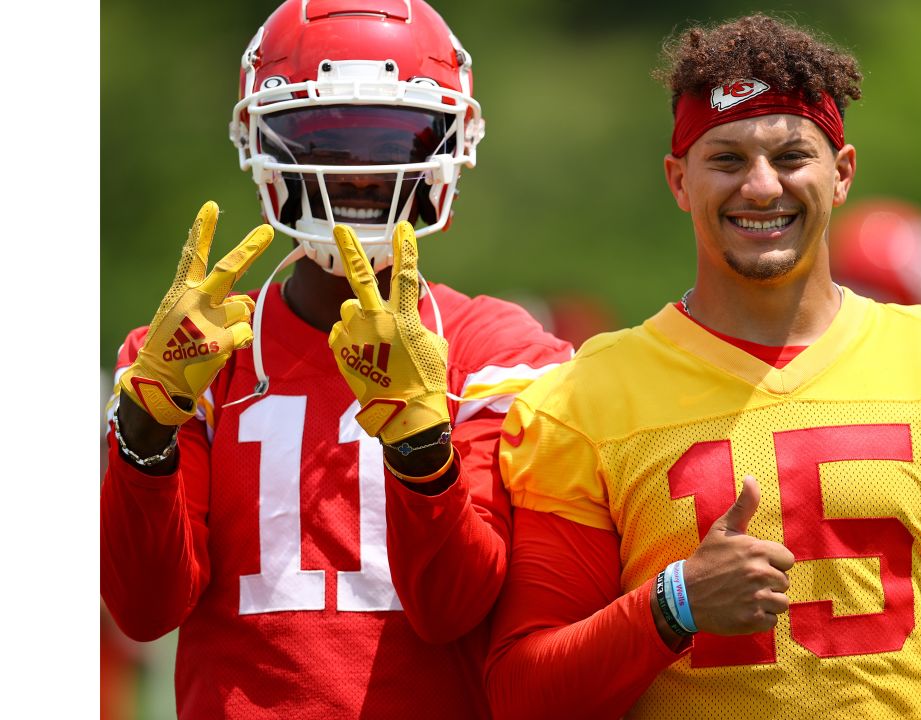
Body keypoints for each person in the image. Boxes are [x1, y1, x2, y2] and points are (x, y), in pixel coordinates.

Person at [485, 14, 921, 719]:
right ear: (678, 180)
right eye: (726, 160)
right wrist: (674, 605)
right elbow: (524, 696)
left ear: (842, 173)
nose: (760, 187)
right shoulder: (585, 401)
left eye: (791, 158)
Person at [99, 1, 572, 717]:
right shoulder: (191, 356)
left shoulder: (500, 351)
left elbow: (454, 609)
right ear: (261, 144)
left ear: (450, 143)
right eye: (322, 139)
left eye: (394, 139)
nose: (357, 172)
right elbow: (143, 609)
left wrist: (422, 454)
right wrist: (144, 435)